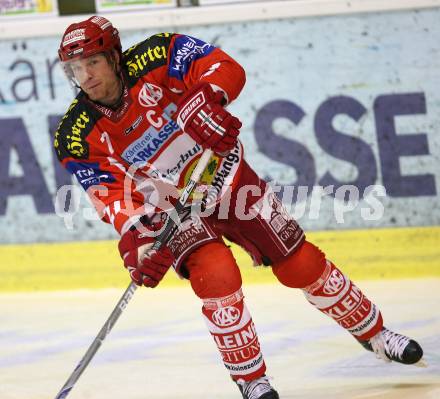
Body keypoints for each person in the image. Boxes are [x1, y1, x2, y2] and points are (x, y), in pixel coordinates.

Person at [54, 16, 424, 399]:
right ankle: (252, 379)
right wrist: (139, 241)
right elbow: (111, 195)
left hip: (227, 176)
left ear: (114, 56)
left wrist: (207, 97)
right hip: (174, 209)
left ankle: (375, 333)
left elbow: (225, 67)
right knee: (217, 273)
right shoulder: (75, 134)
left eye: (93, 62)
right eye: (76, 68)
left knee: (301, 263)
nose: (86, 76)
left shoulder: (156, 54)